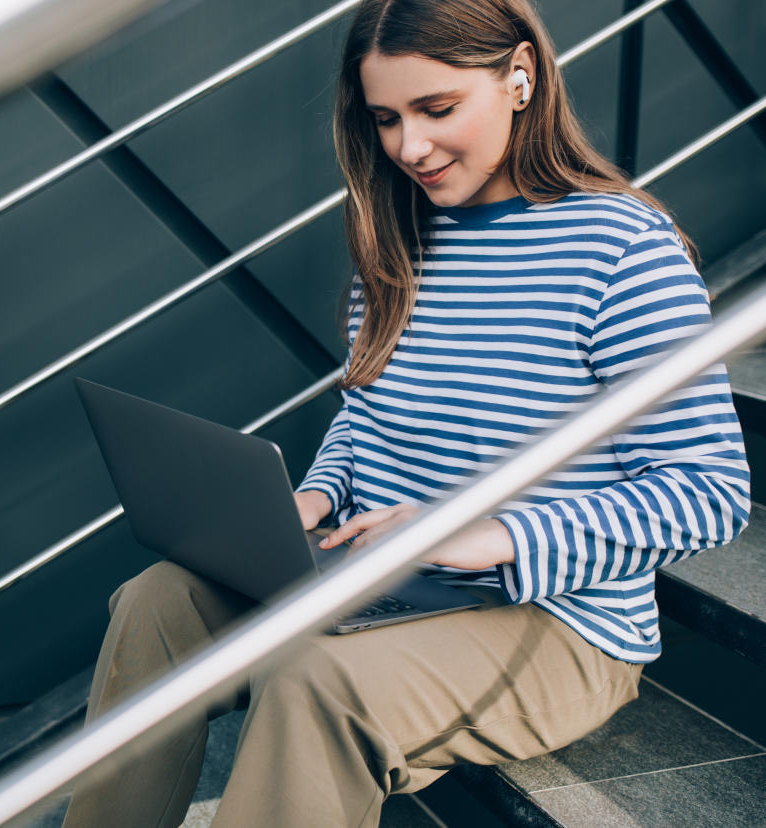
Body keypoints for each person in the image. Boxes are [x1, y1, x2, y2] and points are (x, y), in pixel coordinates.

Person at [62, 0, 751, 825]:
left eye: (437, 109)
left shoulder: (623, 251)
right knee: (160, 600)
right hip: (383, 575)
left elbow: (706, 492)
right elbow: (367, 418)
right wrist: (314, 498)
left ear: (520, 79)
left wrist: (476, 531)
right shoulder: (398, 239)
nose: (409, 148)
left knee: (317, 683)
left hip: (553, 619)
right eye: (386, 119)